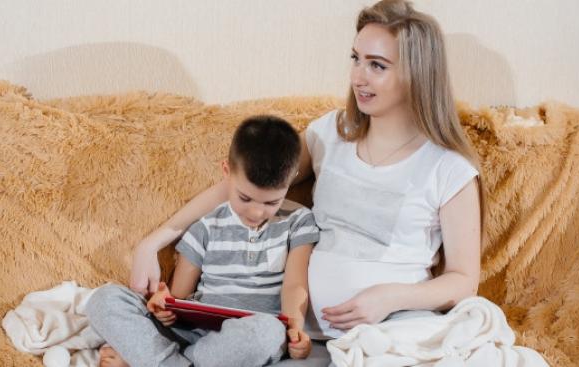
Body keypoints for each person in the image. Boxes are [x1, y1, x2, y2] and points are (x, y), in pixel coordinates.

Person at [130, 0, 482, 365]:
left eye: (377, 65)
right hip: (305, 337)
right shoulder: (330, 134)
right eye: (356, 58)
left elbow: (463, 279)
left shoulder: (447, 168)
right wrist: (152, 243)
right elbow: (247, 183)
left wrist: (390, 298)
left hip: (389, 331)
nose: (358, 77)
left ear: (417, 74)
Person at [86, 115, 320, 367]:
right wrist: (165, 308)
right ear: (227, 172)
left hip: (247, 338)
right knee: (104, 300)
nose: (255, 212)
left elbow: (295, 284)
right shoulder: (205, 224)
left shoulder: (299, 221)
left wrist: (295, 328)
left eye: (270, 203)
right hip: (193, 332)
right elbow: (180, 297)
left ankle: (151, 360)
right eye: (245, 198)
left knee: (265, 332)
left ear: (292, 178)